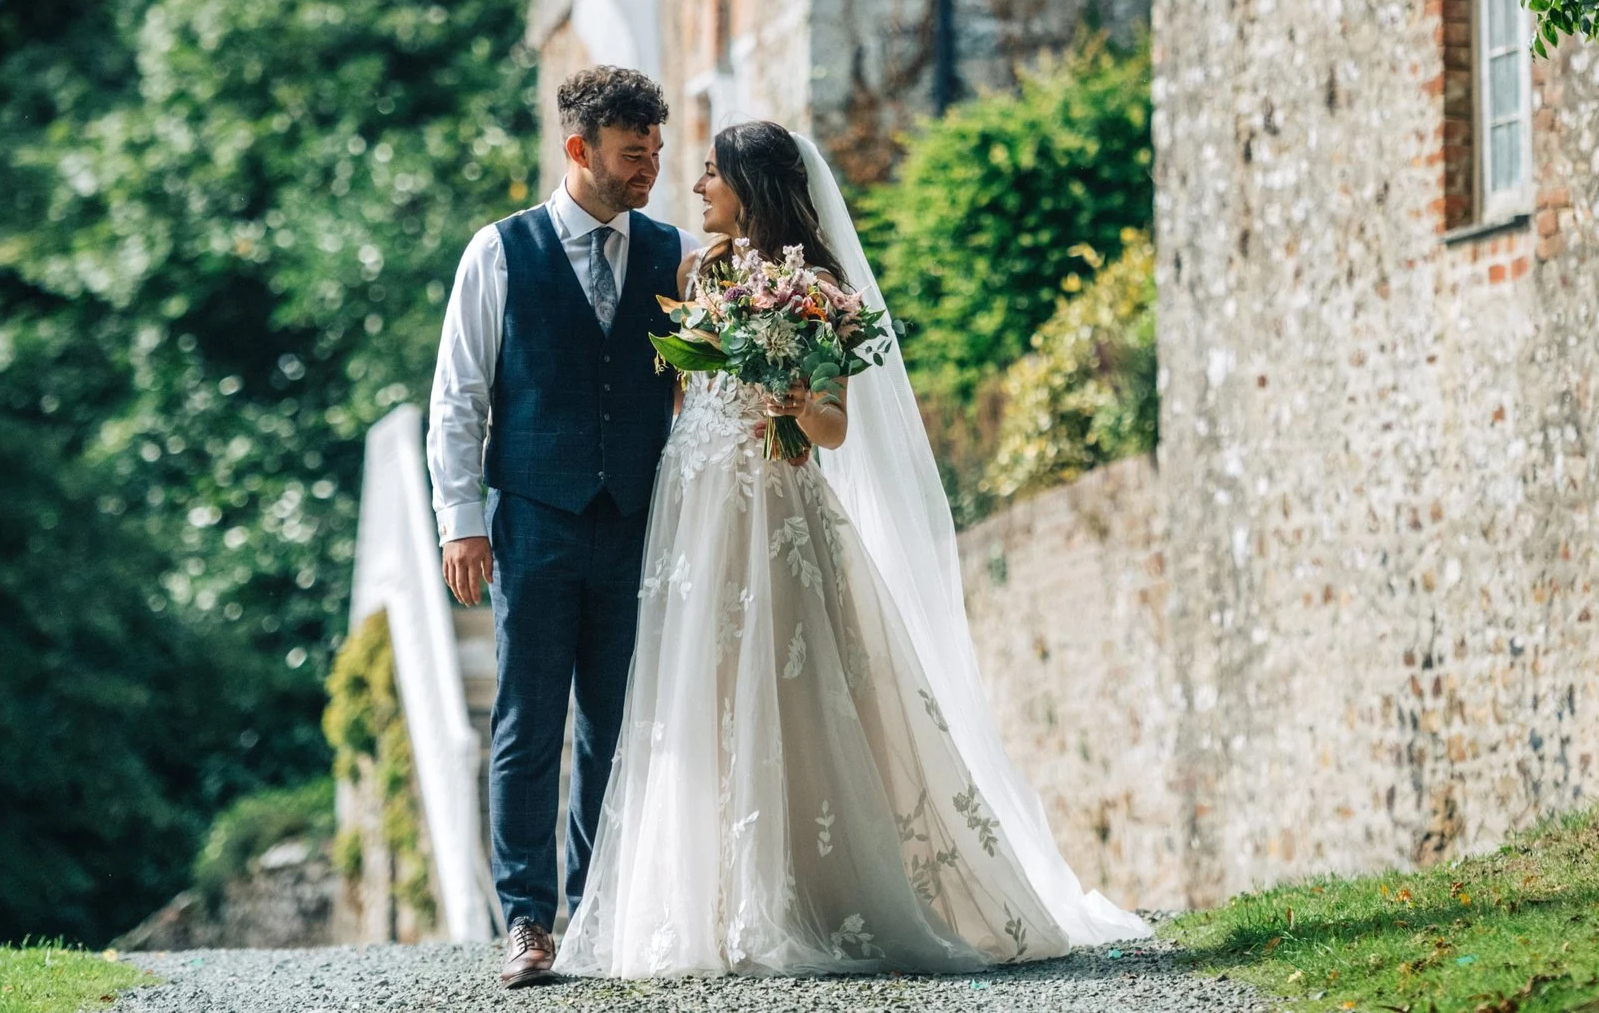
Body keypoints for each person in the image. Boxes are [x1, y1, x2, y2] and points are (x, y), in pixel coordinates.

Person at [554, 119, 1146, 977]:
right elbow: (686, 395)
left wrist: (791, 401)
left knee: (798, 693)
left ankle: (814, 891)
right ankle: (713, 899)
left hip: (774, 509)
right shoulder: (700, 273)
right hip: (697, 509)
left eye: (712, 173)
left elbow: (830, 426)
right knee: (699, 696)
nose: (697, 188)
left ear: (750, 187)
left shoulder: (820, 289)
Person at [424, 66, 682, 988]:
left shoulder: (670, 252)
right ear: (579, 151)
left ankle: (599, 907)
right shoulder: (497, 253)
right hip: (532, 518)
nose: (650, 166)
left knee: (616, 724)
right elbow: (458, 398)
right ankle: (528, 919)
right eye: (632, 152)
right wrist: (461, 521)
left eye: (655, 149)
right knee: (529, 722)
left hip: (637, 523)